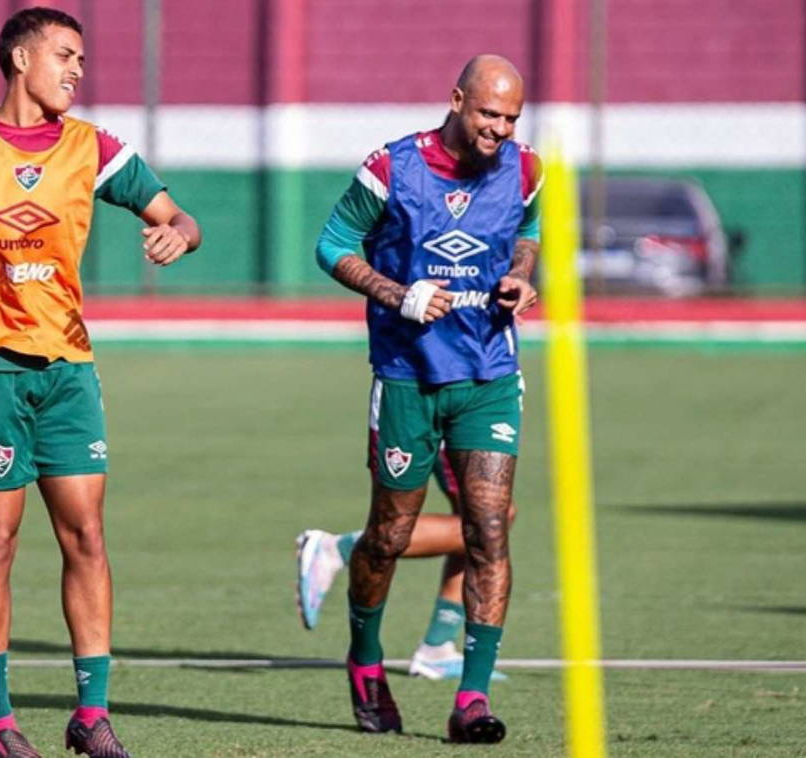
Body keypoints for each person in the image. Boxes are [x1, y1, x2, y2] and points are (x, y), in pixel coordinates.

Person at [0, 8, 201, 758]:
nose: (77, 70)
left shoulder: (95, 148)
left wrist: (178, 234)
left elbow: (181, 217)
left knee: (86, 535)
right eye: (65, 55)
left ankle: (92, 715)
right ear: (21, 59)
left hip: (67, 368)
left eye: (81, 58)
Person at [312, 54, 540, 743]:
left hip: (489, 376)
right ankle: (365, 660)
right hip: (407, 377)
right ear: (457, 100)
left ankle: (471, 697)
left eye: (511, 118)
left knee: (489, 529)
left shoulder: (526, 170)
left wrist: (521, 276)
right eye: (489, 113)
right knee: (388, 537)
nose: (499, 129)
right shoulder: (392, 168)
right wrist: (396, 294)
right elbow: (331, 245)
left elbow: (528, 232)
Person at [295, 444, 516, 681]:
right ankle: (339, 548)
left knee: (476, 517)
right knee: (490, 519)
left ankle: (438, 647)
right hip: (450, 425)